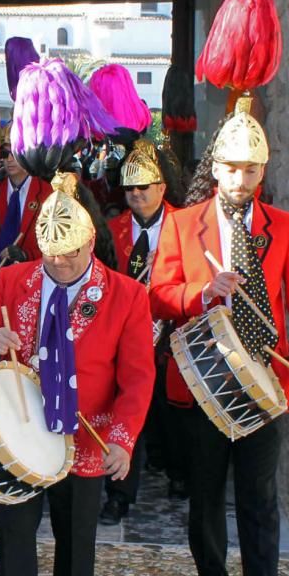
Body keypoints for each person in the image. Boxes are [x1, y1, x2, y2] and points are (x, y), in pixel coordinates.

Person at [150, 99, 289, 576]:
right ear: (216, 167)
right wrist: (202, 294)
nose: (241, 178)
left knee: (259, 501)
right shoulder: (181, 224)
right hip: (203, 384)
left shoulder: (286, 228)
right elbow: (156, 297)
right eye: (232, 168)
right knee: (204, 498)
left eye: (251, 170)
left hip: (264, 386)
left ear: (261, 173)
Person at [0, 175, 154, 576]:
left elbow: (137, 378)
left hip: (85, 436)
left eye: (70, 255)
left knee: (76, 543)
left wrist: (123, 440)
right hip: (21, 436)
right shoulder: (13, 280)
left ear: (91, 243)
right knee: (14, 536)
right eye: (51, 256)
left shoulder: (127, 296)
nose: (60, 265)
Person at [100, 140, 183, 525]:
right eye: (130, 189)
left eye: (143, 188)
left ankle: (178, 473)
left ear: (161, 188)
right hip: (125, 335)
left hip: (173, 334)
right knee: (125, 411)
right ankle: (119, 493)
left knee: (171, 412)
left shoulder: (183, 226)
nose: (135, 195)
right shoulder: (112, 228)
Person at [0, 146, 53, 281]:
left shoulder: (47, 193)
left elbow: (54, 245)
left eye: (15, 153)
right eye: (5, 154)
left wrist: (26, 255)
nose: (9, 159)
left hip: (33, 280)